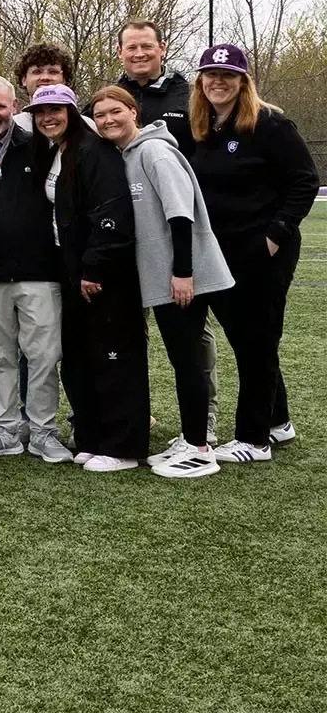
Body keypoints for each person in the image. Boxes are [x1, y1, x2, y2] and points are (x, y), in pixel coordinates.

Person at [90, 86, 234, 479]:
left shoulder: (155, 151)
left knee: (187, 361)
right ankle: (190, 438)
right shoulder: (126, 155)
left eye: (115, 111)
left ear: (133, 111)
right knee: (180, 358)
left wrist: (183, 272)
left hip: (181, 279)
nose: (107, 120)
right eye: (100, 115)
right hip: (162, 278)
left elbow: (180, 215)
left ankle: (200, 450)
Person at [188, 43, 317, 461]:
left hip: (263, 253)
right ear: (201, 81)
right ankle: (278, 423)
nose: (218, 81)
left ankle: (253, 438)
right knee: (246, 339)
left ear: (243, 81)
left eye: (227, 75)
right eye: (211, 74)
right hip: (221, 251)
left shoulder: (271, 124)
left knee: (257, 341)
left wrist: (275, 235)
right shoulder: (205, 126)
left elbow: (304, 181)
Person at [29, 85, 147, 472]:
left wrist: (94, 267)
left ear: (71, 111)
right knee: (80, 358)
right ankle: (93, 437)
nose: (48, 117)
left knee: (114, 357)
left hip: (104, 274)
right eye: (40, 111)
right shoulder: (57, 151)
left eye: (56, 110)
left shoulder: (95, 151)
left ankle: (123, 447)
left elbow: (111, 215)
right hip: (71, 271)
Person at [0, 75, 69, 464]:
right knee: (1, 357)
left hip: (40, 271)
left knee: (43, 356)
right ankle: (4, 431)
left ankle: (42, 432)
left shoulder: (42, 146)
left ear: (15, 106)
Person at [115, 21, 194, 152]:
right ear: (120, 51)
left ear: (162, 48)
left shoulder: (190, 96)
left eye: (147, 46)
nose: (139, 54)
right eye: (132, 48)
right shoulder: (107, 100)